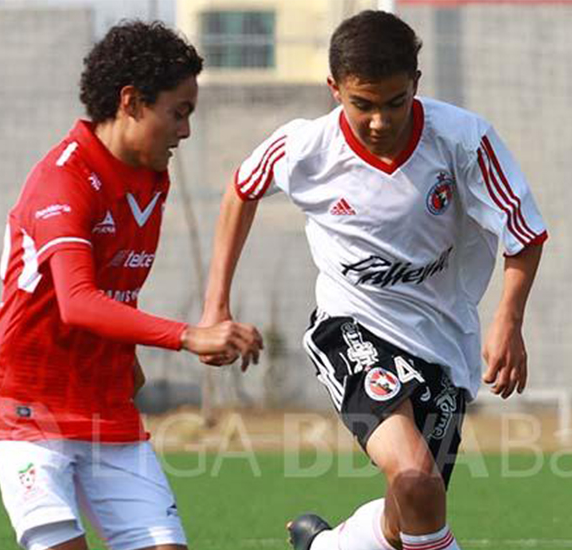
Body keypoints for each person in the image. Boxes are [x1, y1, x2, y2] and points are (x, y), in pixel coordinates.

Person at [200, 10, 545, 550]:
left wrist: (509, 320)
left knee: (410, 508)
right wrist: (215, 306)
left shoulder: (463, 140)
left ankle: (325, 546)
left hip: (442, 340)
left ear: (416, 85)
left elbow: (523, 232)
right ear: (334, 88)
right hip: (351, 326)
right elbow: (242, 190)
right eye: (363, 104)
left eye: (394, 102)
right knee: (415, 478)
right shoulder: (305, 148)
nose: (380, 121)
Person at [0, 21, 263, 550]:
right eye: (179, 112)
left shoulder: (151, 177)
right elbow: (78, 302)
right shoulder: (63, 179)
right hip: (29, 409)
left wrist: (124, 358)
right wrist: (188, 336)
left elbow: (114, 284)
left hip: (107, 407)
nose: (186, 131)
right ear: (131, 102)